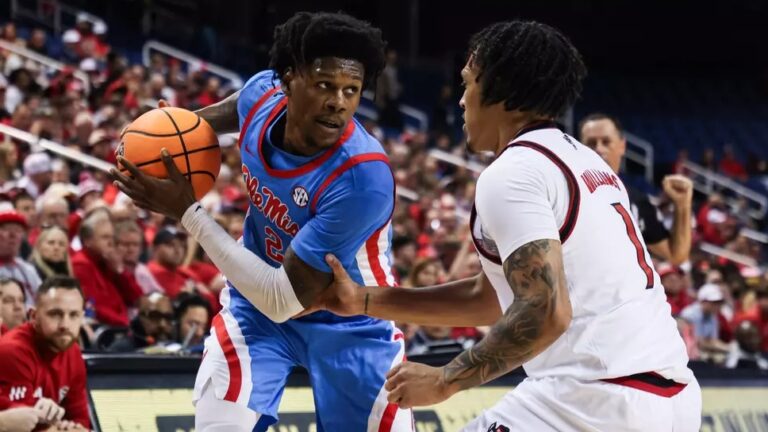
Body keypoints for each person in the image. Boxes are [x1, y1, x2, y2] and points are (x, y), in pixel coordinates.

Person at [309, 20, 700, 431]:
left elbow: (545, 310)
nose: (461, 100)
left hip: (593, 399)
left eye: (468, 83)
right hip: (669, 397)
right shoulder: (584, 161)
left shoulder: (515, 171)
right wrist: (365, 300)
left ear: (501, 89)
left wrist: (445, 381)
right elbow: (496, 296)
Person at [112, 11, 411, 431]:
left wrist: (187, 211)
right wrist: (168, 132)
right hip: (256, 309)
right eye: (325, 84)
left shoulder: (364, 178)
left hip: (349, 320)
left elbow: (284, 299)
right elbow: (214, 118)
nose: (338, 102)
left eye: (351, 90)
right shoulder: (260, 95)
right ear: (287, 80)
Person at [579, 113, 693, 265]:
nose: (599, 149)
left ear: (622, 146)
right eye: (591, 143)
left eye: (606, 142)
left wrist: (682, 205)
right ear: (578, 148)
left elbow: (676, 255)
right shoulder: (565, 194)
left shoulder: (637, 201)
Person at [0, 276, 90, 431]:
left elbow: (80, 420)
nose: (65, 325)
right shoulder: (12, 350)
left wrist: (74, 427)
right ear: (33, 316)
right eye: (55, 314)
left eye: (74, 315)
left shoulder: (73, 351)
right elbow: (22, 425)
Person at [71, 209, 143, 327]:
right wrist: (125, 323)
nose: (110, 243)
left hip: (119, 326)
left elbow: (137, 298)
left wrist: (120, 271)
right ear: (88, 240)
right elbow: (93, 308)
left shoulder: (109, 262)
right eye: (105, 238)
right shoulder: (80, 265)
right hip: (105, 329)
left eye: (111, 238)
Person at [108, 293, 174, 353]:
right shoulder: (121, 350)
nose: (163, 324)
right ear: (139, 318)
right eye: (154, 316)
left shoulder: (179, 349)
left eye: (168, 317)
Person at [0, 208, 41, 305]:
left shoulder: (27, 270)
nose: (13, 235)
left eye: (18, 230)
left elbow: (43, 300)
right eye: (6, 229)